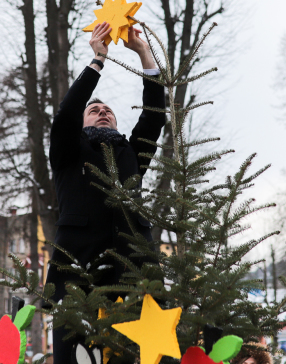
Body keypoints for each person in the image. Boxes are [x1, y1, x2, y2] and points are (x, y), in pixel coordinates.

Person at [46, 22, 166, 362]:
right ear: (83, 122)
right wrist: (97, 61)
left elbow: (155, 116)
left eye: (108, 111)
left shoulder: (130, 153)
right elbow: (66, 115)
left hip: (135, 280)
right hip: (77, 282)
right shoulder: (68, 153)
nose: (102, 112)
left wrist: (144, 53)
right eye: (94, 110)